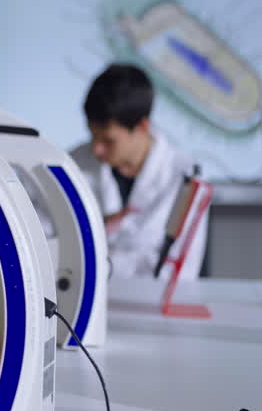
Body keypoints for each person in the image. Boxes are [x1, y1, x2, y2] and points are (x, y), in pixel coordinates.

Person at [68, 63, 208, 280]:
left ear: (142, 126)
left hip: (149, 303)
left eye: (108, 140)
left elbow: (182, 271)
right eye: (93, 136)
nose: (96, 149)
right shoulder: (72, 164)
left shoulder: (184, 176)